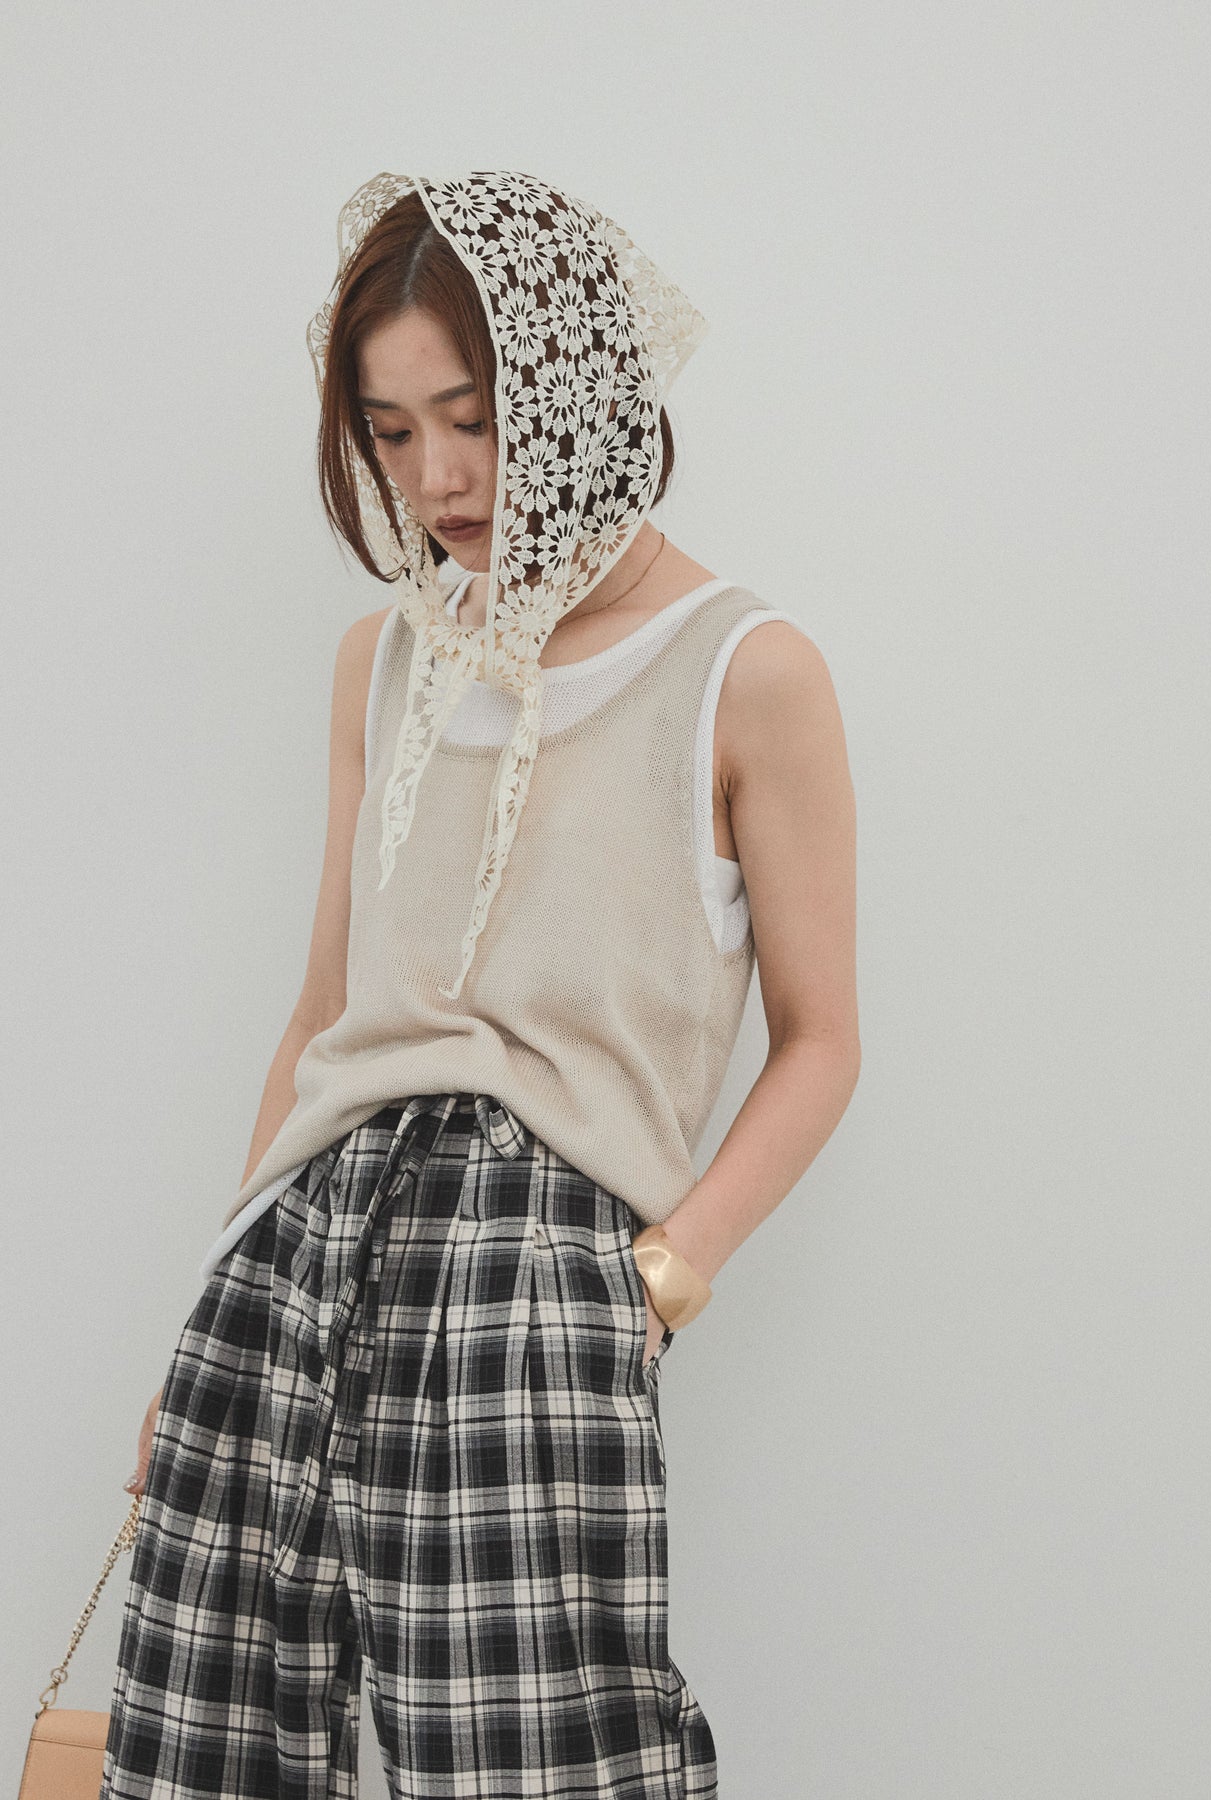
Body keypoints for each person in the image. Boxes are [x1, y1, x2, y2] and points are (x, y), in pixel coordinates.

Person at [101, 169, 859, 1800]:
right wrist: (207, 1308)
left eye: (474, 418)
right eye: (389, 431)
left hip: (535, 1269)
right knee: (212, 1745)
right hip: (296, 1248)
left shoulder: (744, 669)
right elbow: (323, 1014)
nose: (436, 477)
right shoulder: (381, 658)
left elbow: (820, 1042)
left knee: (534, 1757)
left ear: (580, 385)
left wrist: (649, 1288)